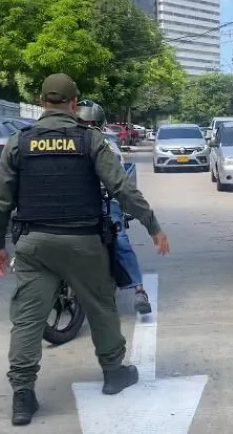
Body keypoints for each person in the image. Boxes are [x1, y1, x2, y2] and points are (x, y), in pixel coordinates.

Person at [0, 73, 170, 426]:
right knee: (100, 307)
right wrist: (153, 225)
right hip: (84, 242)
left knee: (27, 319)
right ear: (74, 104)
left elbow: (0, 202)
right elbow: (122, 189)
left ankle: (23, 395)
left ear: (42, 102)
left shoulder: (19, 142)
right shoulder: (90, 140)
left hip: (34, 244)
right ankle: (114, 373)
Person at [75, 99, 152, 314]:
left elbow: (117, 181)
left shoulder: (107, 145)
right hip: (72, 203)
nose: (86, 126)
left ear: (98, 124)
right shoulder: (66, 141)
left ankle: (139, 289)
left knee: (120, 239)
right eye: (81, 122)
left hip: (104, 200)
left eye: (90, 123)